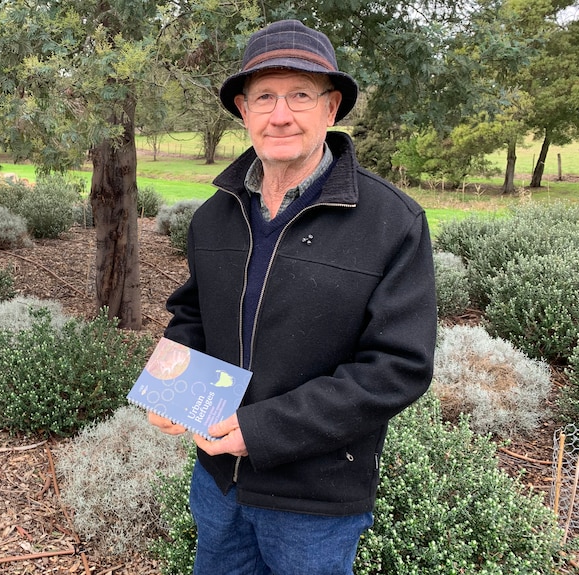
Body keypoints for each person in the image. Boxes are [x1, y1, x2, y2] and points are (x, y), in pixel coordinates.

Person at [147, 19, 437, 575]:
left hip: (315, 502)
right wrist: (174, 388)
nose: (281, 114)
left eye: (300, 95)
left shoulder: (391, 222)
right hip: (217, 485)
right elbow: (192, 313)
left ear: (330, 109)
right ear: (243, 110)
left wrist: (261, 431)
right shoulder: (214, 217)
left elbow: (397, 368)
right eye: (264, 97)